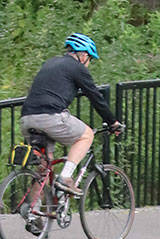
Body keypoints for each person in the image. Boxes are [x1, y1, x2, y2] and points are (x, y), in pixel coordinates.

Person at [20, 33, 123, 197]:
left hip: (27, 118)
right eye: (90, 59)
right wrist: (112, 122)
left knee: (45, 165)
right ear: (83, 55)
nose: (88, 64)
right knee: (86, 135)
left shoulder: (50, 63)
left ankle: (33, 211)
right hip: (50, 117)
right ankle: (66, 177)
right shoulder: (77, 68)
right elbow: (96, 97)